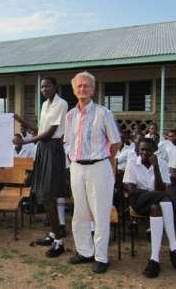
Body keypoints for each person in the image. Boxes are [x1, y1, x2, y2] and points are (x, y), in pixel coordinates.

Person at [64, 71, 121, 273]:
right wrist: (72, 159)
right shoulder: (70, 115)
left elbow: (115, 143)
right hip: (77, 168)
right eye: (79, 86)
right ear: (73, 90)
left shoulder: (103, 113)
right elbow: (68, 142)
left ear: (93, 89)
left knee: (100, 213)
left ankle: (101, 257)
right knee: (79, 213)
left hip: (99, 167)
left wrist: (105, 162)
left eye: (86, 86)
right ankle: (84, 251)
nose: (82, 89)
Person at [15, 76, 68, 258]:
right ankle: (53, 234)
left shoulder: (61, 104)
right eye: (42, 86)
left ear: (55, 86)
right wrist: (20, 120)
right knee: (43, 195)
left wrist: (25, 141)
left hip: (53, 149)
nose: (44, 89)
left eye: (47, 86)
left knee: (49, 195)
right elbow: (39, 130)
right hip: (42, 149)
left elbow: (50, 133)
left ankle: (59, 243)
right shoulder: (45, 105)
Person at [123, 138, 176, 278]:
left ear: (154, 151)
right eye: (142, 149)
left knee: (157, 206)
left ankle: (154, 259)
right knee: (165, 197)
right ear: (138, 150)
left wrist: (156, 167)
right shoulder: (132, 163)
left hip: (155, 203)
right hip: (138, 202)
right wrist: (156, 194)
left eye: (148, 150)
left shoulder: (161, 163)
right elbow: (132, 190)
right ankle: (174, 248)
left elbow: (160, 188)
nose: (145, 152)